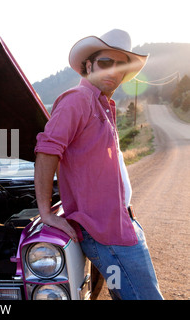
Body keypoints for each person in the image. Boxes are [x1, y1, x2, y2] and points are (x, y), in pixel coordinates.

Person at [34, 29, 163, 300]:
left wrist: (123, 203)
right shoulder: (77, 100)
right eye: (105, 62)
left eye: (121, 65)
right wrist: (45, 213)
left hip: (119, 224)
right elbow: (47, 151)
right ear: (88, 65)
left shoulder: (103, 105)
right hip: (107, 235)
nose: (113, 71)